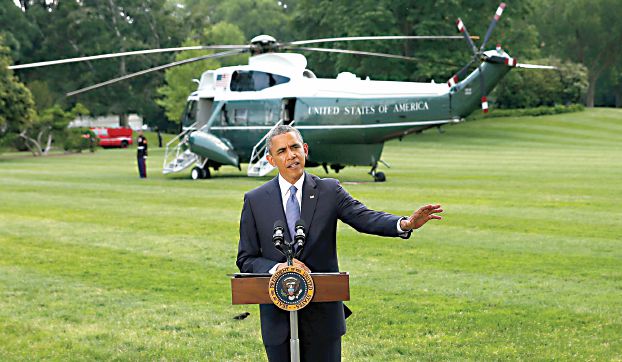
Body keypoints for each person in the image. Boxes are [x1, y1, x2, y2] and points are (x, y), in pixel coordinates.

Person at [236, 125, 443, 362]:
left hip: (323, 318)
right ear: (271, 160)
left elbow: (365, 217)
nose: (291, 155)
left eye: (295, 147)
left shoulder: (329, 190)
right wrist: (278, 270)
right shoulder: (255, 200)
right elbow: (246, 259)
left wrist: (404, 224)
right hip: (277, 320)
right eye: (282, 151)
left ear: (305, 150)